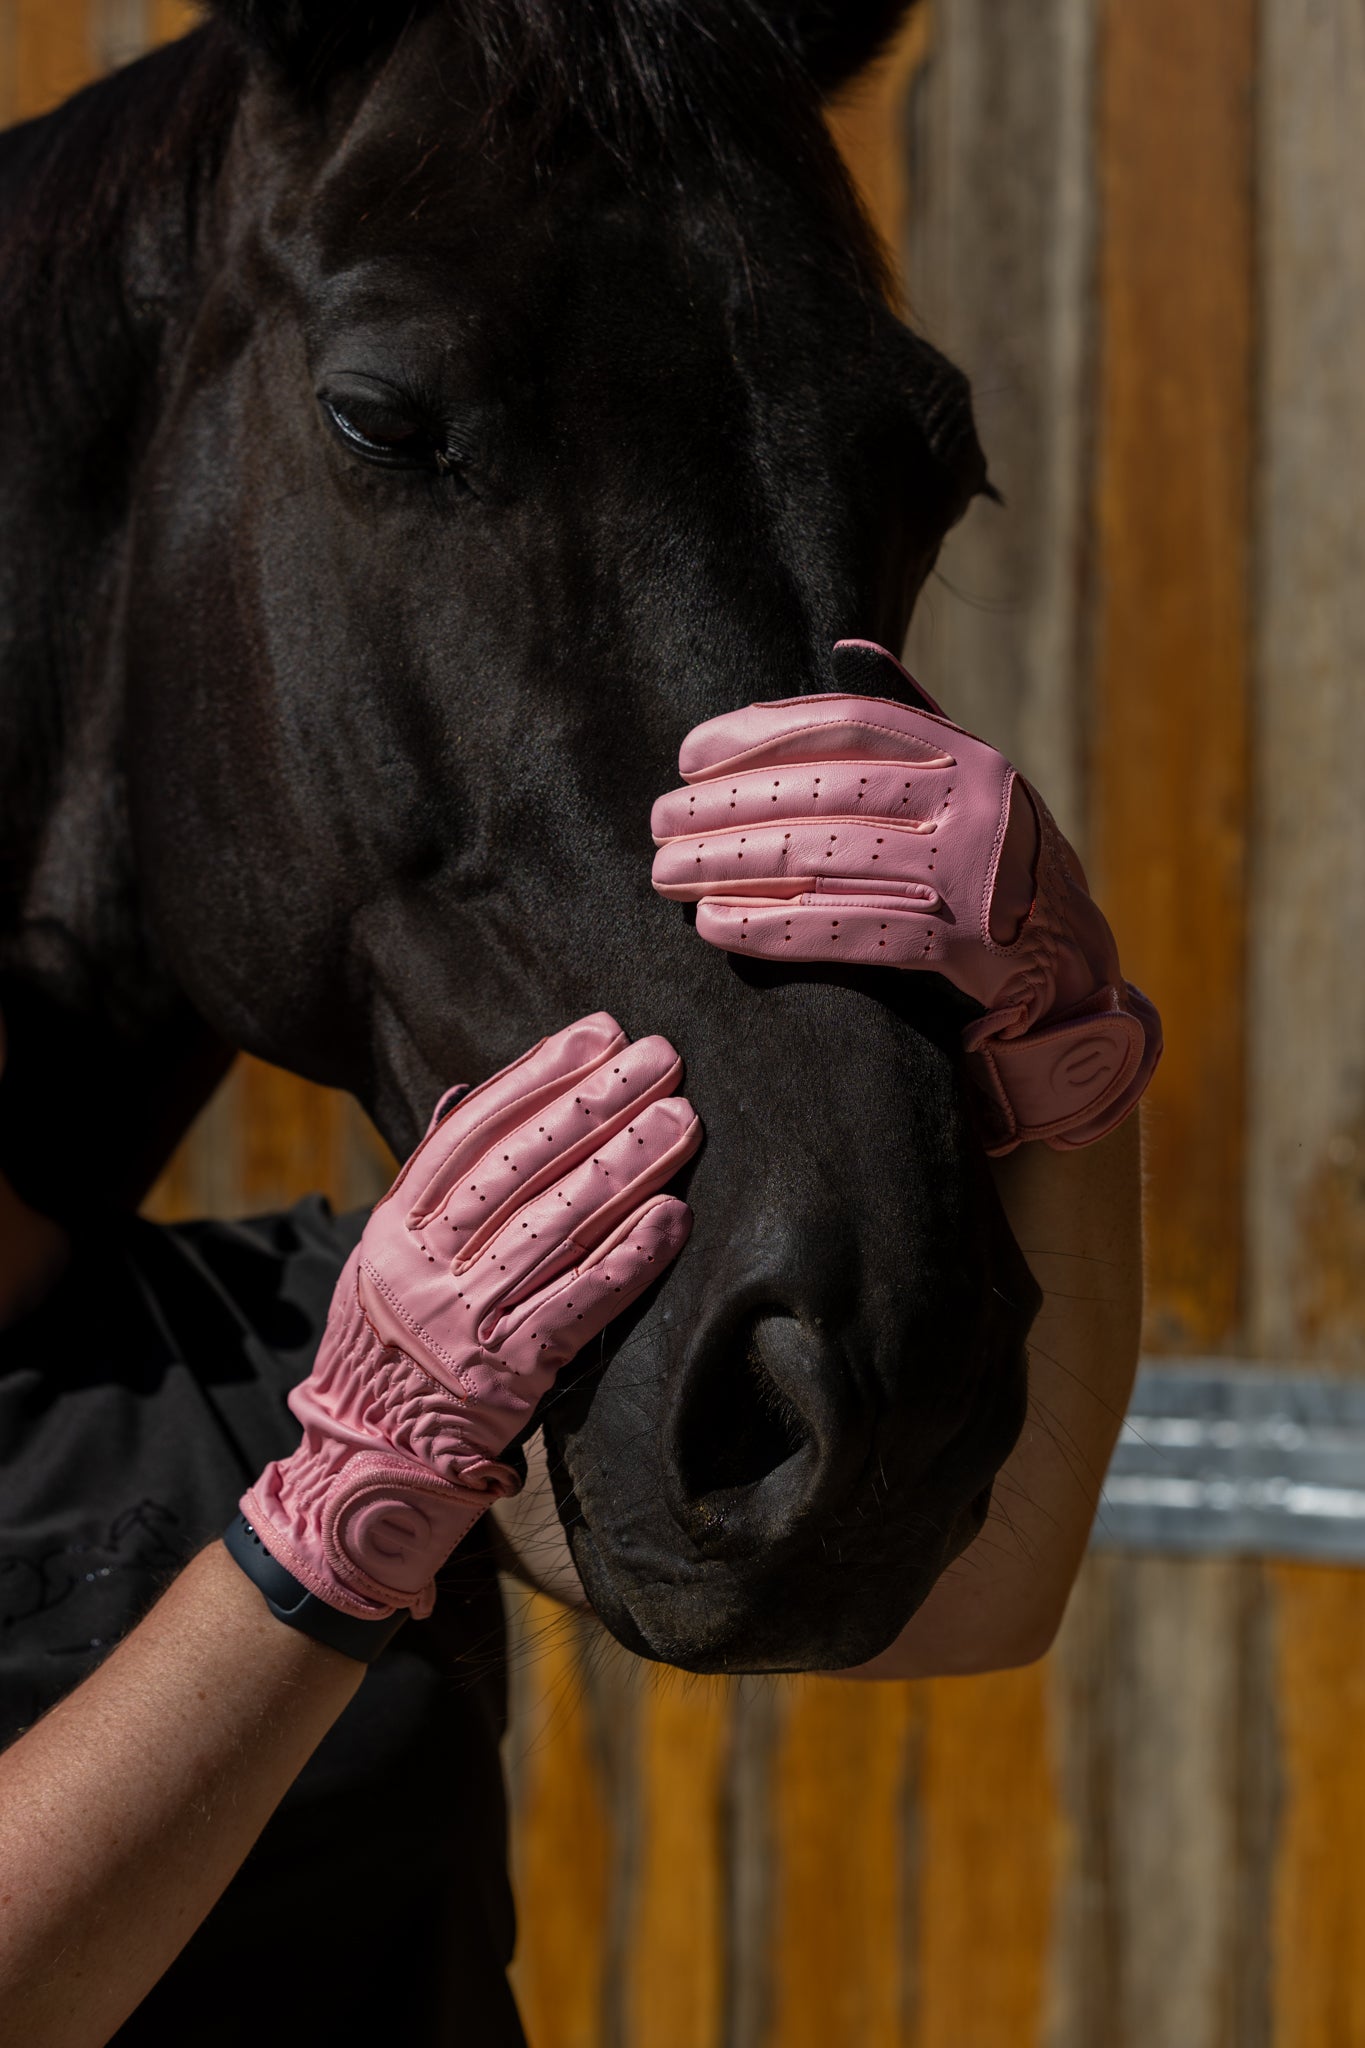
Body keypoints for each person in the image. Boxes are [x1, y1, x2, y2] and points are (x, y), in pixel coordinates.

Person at [0, 650, 1152, 2044]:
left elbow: (964, 1605)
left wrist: (1061, 1055)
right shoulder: (373, 1390)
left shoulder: (310, 1324)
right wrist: (336, 1516)